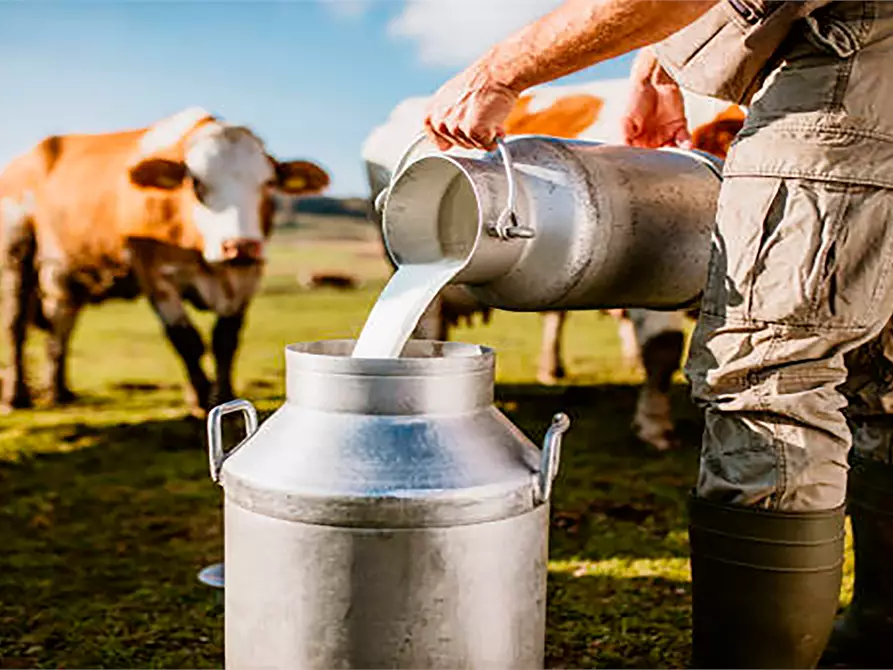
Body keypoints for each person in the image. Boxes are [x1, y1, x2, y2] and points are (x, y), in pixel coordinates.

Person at [422, 1, 893, 668]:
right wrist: (658, 62)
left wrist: (497, 73)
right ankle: (877, 639)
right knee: (881, 373)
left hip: (848, 75)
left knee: (769, 377)